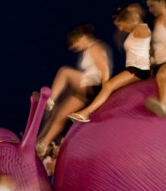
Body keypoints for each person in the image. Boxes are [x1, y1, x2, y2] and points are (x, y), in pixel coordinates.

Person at [37, 24, 112, 157]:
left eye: (75, 43)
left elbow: (105, 70)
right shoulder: (88, 50)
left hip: (94, 86)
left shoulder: (95, 47)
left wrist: (105, 91)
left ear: (82, 38)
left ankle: (51, 100)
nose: (74, 47)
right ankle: (43, 144)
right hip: (86, 89)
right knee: (61, 115)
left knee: (64, 71)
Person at [69, 4, 152, 123]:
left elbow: (136, 11)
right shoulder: (135, 31)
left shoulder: (142, 28)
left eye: (120, 25)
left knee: (108, 85)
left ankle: (86, 113)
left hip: (139, 70)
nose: (120, 29)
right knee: (110, 88)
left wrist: (128, 11)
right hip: (134, 69)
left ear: (128, 19)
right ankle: (91, 110)